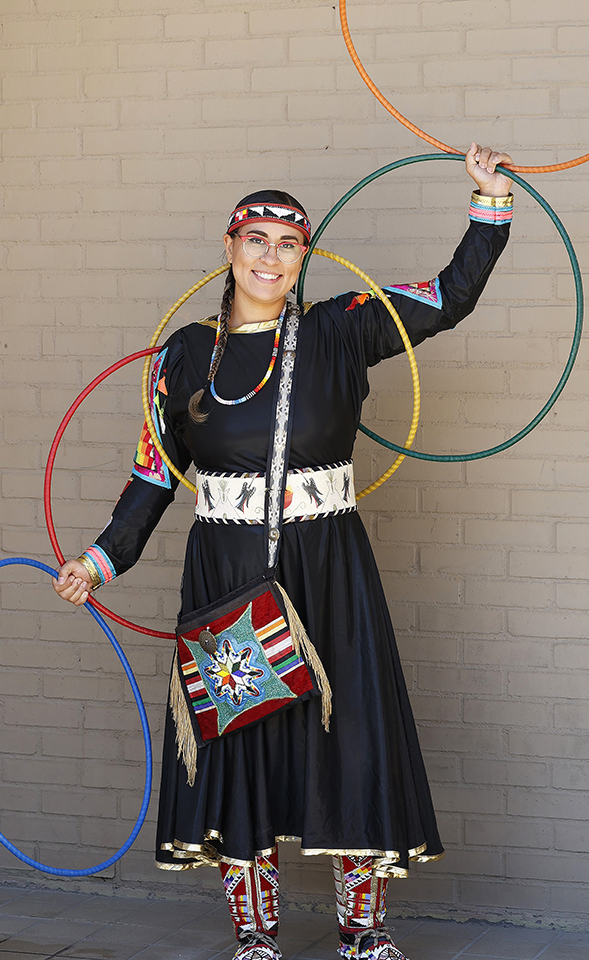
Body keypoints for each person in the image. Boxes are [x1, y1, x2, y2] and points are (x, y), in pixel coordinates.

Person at [54, 143, 514, 960]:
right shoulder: (185, 356)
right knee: (241, 739)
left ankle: (363, 928)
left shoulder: (342, 329)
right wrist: (99, 560)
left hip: (329, 568)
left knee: (354, 734)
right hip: (228, 573)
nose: (269, 256)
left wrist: (487, 202)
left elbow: (447, 298)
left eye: (287, 242)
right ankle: (254, 934)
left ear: (305, 255)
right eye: (254, 239)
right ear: (227, 248)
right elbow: (154, 474)